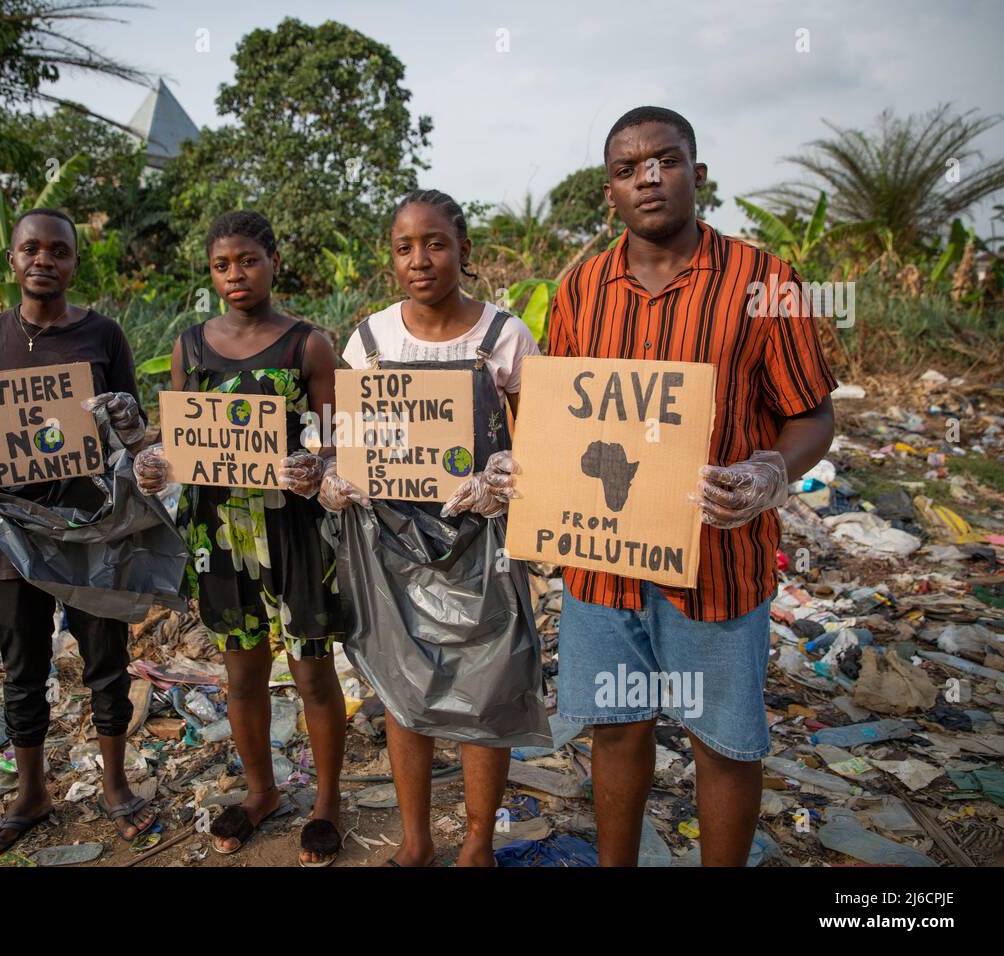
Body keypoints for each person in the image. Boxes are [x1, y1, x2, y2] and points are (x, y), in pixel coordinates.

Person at [503, 106, 836, 866]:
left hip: (717, 563)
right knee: (617, 727)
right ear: (609, 192)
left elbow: (813, 415)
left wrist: (771, 472)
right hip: (603, 563)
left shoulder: (764, 281)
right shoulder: (583, 285)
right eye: (627, 169)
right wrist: (520, 475)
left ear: (699, 174)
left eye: (666, 160)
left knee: (722, 736)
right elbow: (565, 414)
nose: (647, 178)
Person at [320, 189, 548, 867]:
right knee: (403, 685)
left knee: (488, 686)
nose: (420, 259)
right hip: (389, 541)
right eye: (403, 247)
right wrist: (334, 476)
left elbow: (539, 437)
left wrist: (503, 474)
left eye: (436, 243)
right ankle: (416, 842)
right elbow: (345, 437)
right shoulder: (369, 340)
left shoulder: (505, 336)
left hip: (482, 539)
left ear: (464, 249)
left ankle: (477, 843)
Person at [0, 208, 157, 857]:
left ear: (72, 263)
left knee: (106, 663)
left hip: (92, 526)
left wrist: (129, 420)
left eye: (58, 251)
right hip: (13, 529)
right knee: (22, 666)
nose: (44, 260)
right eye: (31, 249)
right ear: (12, 260)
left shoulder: (104, 335)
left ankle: (115, 786)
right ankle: (30, 794)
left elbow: (133, 433)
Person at [133, 211, 347, 866]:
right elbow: (179, 437)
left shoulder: (307, 345)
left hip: (296, 527)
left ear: (274, 262)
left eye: (248, 260)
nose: (236, 275)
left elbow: (338, 436)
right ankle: (262, 794)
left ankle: (327, 802)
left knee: (312, 671)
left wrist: (319, 463)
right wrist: (156, 464)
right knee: (242, 671)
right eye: (223, 264)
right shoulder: (189, 346)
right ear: (211, 272)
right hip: (222, 530)